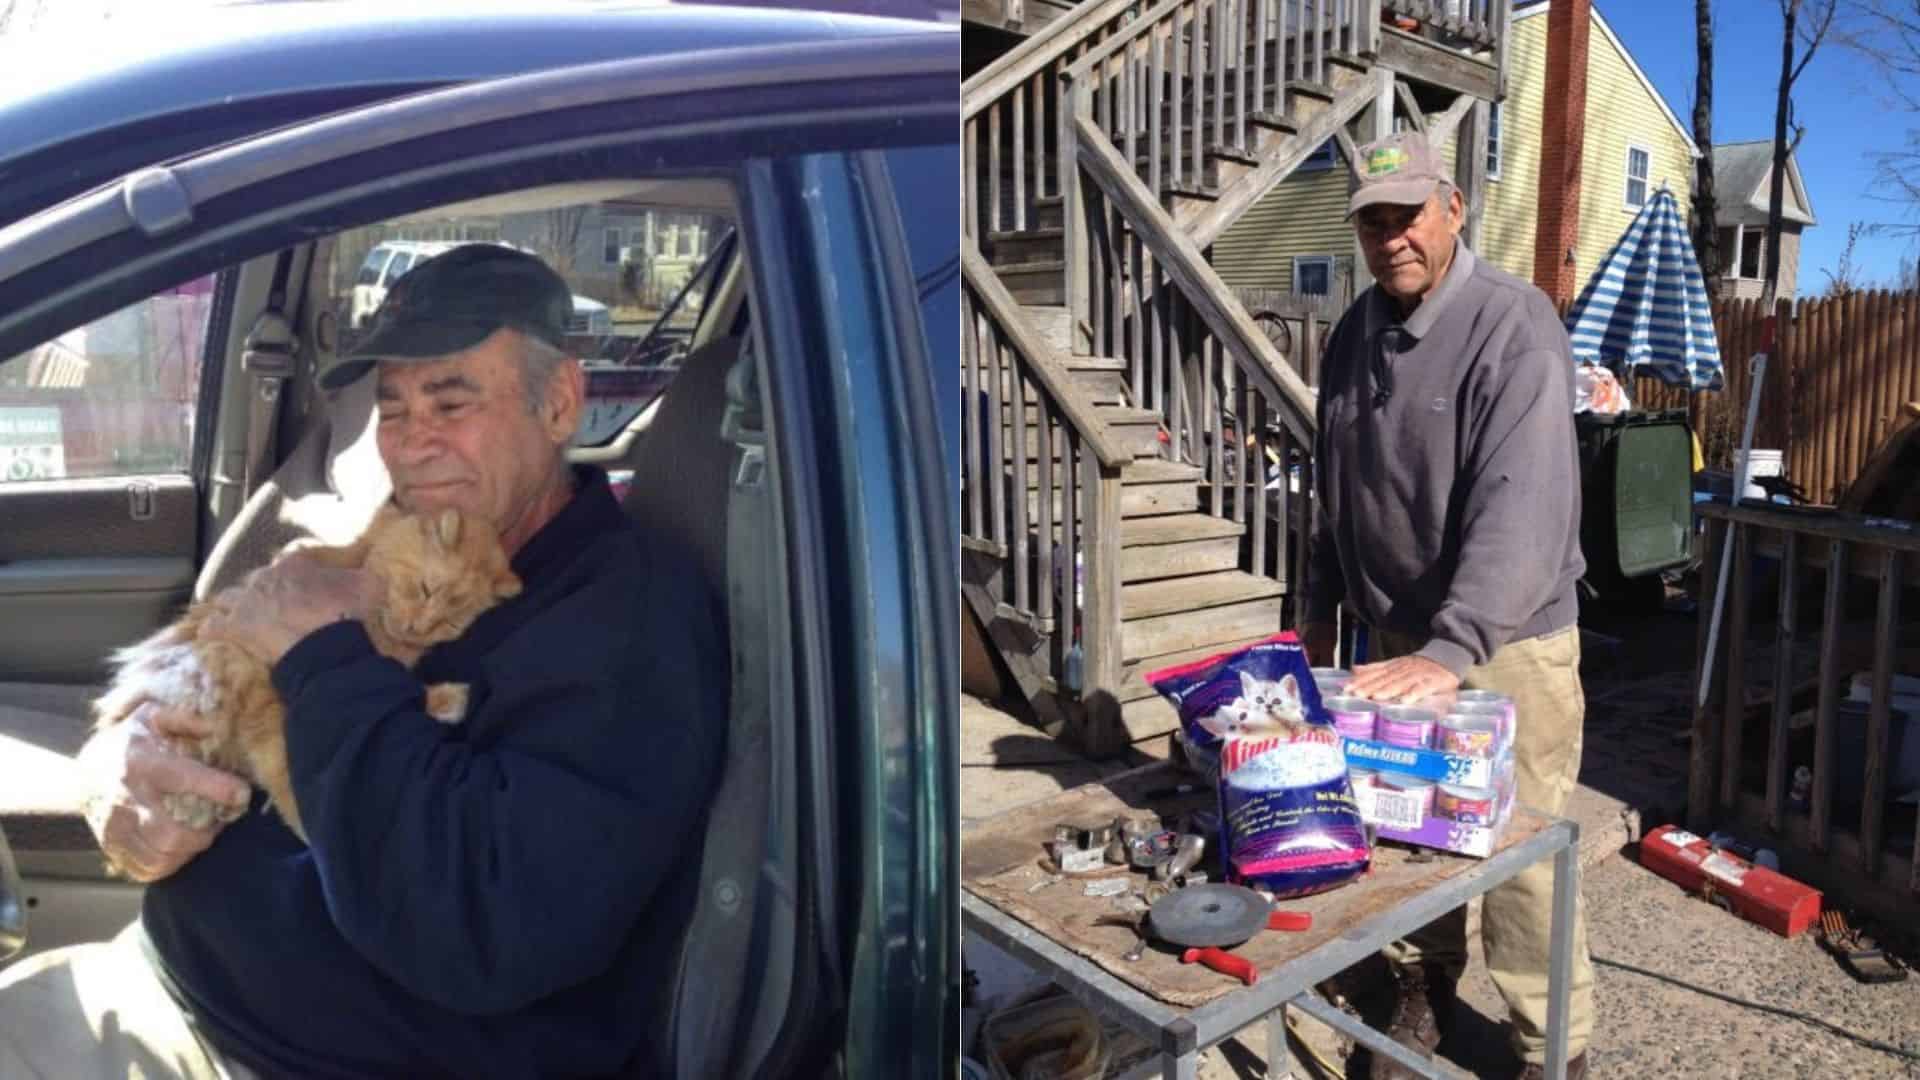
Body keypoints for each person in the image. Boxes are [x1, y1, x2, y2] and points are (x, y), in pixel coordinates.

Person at [0, 244, 728, 1078]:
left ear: (560, 402)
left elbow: (481, 923)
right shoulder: (408, 535)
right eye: (393, 409)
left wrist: (322, 658)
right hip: (179, 980)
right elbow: (227, 663)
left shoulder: (630, 618)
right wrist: (119, 757)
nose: (413, 445)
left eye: (451, 403)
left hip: (275, 1056)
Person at [1300, 132, 1593, 1080]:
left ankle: (1555, 1050)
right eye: (1373, 222)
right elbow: (1335, 491)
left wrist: (1453, 645)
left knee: (1520, 862)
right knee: (1407, 830)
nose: (1393, 239)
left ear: (1453, 209)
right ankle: (1421, 990)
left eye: (1409, 215)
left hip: (1504, 644)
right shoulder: (1353, 333)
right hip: (1397, 641)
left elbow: (1526, 508)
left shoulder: (1515, 326)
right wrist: (1313, 620)